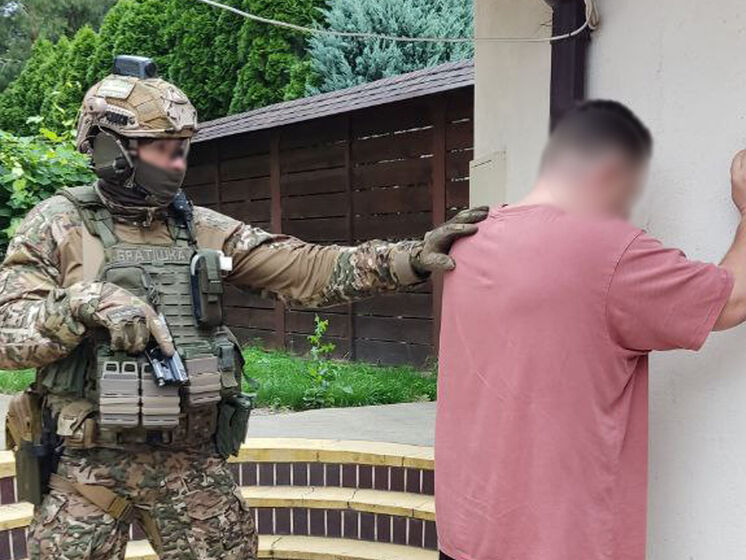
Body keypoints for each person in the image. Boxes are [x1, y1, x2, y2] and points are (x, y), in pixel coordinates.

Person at [0, 58, 487, 560]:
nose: (176, 164)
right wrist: (85, 302)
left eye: (182, 149)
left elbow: (305, 268)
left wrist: (409, 258)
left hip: (191, 468)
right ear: (110, 150)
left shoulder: (199, 228)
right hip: (86, 471)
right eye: (161, 150)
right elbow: (7, 333)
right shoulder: (57, 226)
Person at [436, 100, 746, 560]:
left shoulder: (466, 239)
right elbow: (732, 301)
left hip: (463, 537)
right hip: (557, 547)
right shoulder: (611, 253)